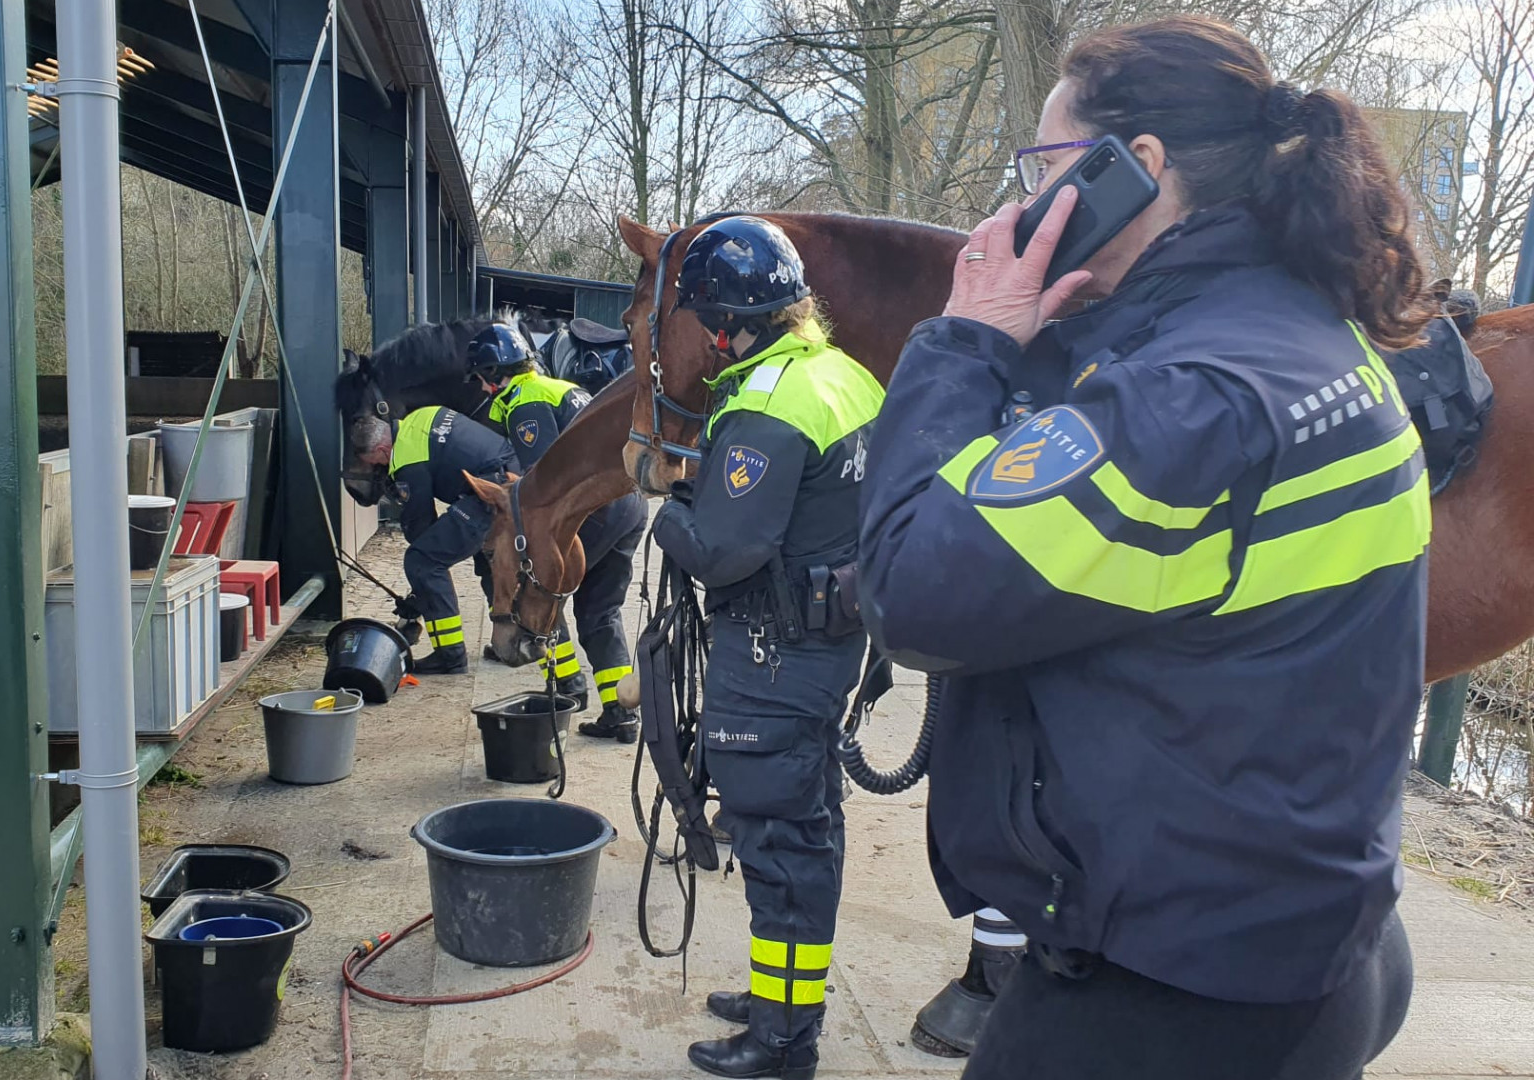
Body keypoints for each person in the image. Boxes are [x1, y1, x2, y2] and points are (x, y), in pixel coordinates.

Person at [856, 17, 1427, 1079]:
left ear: (1136, 168)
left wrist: (968, 338)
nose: (1026, 200)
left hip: (1178, 994)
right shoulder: (1306, 334)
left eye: (1045, 166)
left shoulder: (1186, 399)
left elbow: (909, 589)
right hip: (1310, 938)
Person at [649, 216, 883, 1080]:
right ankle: (784, 994)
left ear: (725, 324)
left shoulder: (765, 401)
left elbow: (723, 552)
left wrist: (667, 503)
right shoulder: (844, 376)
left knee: (779, 848)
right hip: (829, 645)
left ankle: (783, 1044)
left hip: (772, 655)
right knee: (808, 828)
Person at [466, 322, 649, 738]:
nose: (480, 388)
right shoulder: (556, 386)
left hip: (591, 506)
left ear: (495, 373)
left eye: (481, 377)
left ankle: (566, 686)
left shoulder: (525, 401)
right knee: (600, 609)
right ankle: (621, 712)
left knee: (540, 582)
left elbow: (543, 475)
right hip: (628, 501)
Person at [354, 404, 517, 675]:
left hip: (490, 493)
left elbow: (421, 528)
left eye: (376, 464)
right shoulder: (420, 417)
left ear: (382, 450)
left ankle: (450, 656)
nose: (379, 469)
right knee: (488, 563)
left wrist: (418, 598)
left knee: (423, 561)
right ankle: (510, 644)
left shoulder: (405, 458)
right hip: (511, 480)